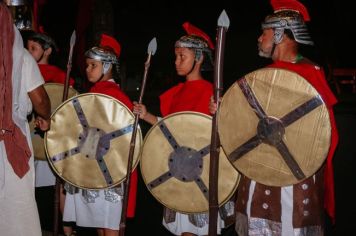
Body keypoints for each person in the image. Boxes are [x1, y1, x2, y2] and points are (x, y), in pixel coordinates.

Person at [210, 1, 339, 235]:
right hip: (257, 175)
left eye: (264, 32)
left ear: (280, 34)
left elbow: (324, 138)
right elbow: (246, 124)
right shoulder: (263, 77)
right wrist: (225, 111)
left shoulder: (310, 76)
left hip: (293, 184)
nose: (259, 38)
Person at [133, 22, 234, 236]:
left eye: (183, 56)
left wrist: (220, 113)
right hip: (179, 168)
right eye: (176, 56)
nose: (176, 62)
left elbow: (224, 135)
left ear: (199, 58)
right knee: (184, 231)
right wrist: (146, 115)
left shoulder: (212, 93)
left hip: (202, 173)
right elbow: (171, 131)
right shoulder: (176, 92)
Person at [62, 33, 137, 236]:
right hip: (93, 166)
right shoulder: (93, 94)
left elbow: (125, 140)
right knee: (100, 224)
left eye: (92, 65)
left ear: (107, 66)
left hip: (111, 170)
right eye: (86, 66)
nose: (87, 70)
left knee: (110, 225)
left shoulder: (117, 97)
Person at [0, 2, 51, 236]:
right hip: (11, 140)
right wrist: (45, 116)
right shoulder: (21, 56)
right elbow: (40, 98)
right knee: (16, 211)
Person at [26, 31, 76, 236]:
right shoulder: (23, 70)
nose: (28, 52)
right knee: (26, 188)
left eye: (33, 49)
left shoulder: (62, 78)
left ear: (46, 51)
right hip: (28, 140)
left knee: (60, 186)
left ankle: (66, 229)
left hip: (54, 139)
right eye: (27, 48)